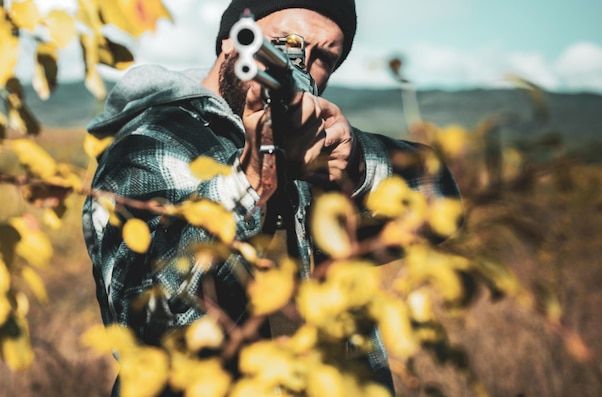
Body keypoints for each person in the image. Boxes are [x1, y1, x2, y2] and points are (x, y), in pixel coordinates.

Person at [82, 0, 462, 395]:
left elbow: (443, 204)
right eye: (282, 42)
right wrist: (252, 182)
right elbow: (150, 327)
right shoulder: (153, 144)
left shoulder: (318, 148)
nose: (300, 65)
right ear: (232, 43)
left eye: (324, 58)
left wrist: (355, 166)